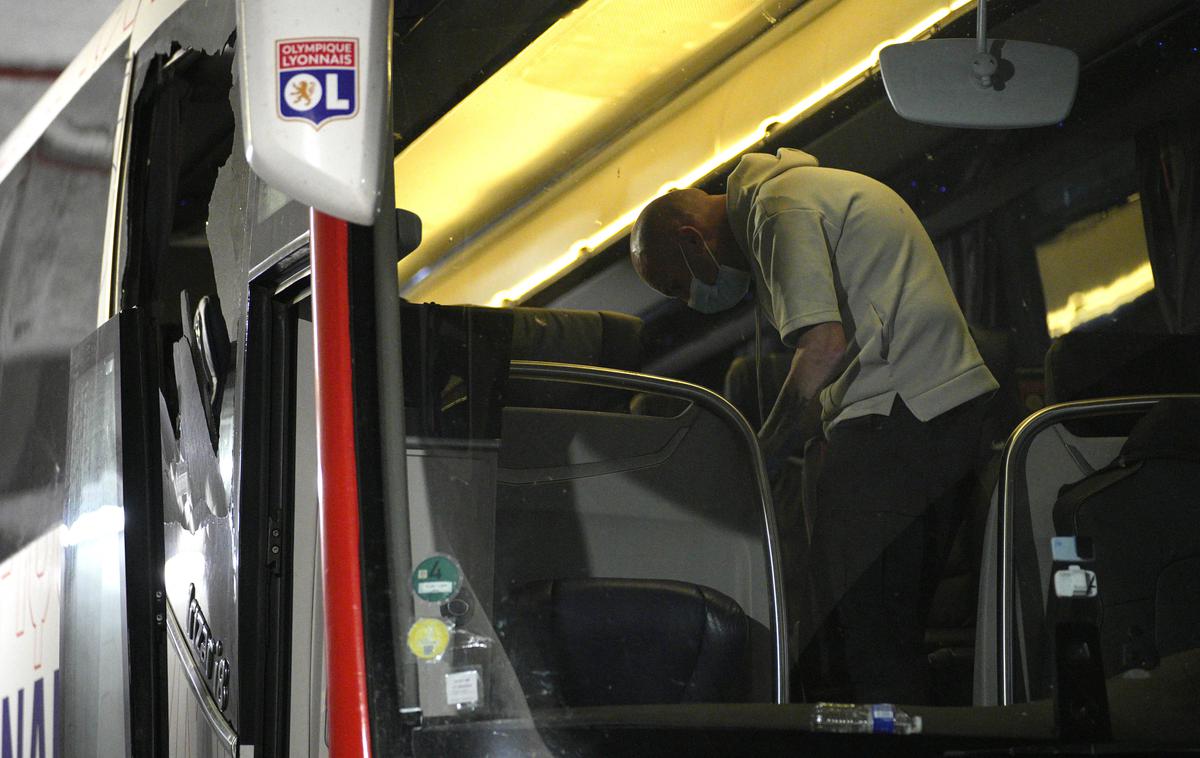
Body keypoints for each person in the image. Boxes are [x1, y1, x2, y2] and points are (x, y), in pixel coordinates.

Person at [629, 148, 997, 703]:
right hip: (934, 411)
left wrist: (759, 453)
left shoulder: (778, 208)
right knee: (886, 633)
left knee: (862, 641)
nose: (687, 301)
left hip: (896, 417)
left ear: (691, 241)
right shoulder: (802, 195)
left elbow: (823, 349)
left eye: (675, 285)